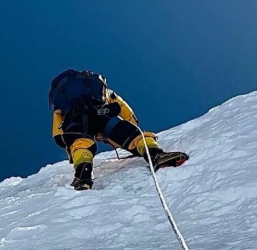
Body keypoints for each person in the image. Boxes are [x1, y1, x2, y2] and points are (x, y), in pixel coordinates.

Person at [49, 69, 189, 190]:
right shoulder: (92, 84)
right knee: (134, 137)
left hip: (75, 120)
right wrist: (131, 123)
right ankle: (156, 155)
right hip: (102, 113)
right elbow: (119, 103)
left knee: (81, 145)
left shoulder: (62, 98)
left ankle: (82, 177)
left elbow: (58, 122)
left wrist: (63, 141)